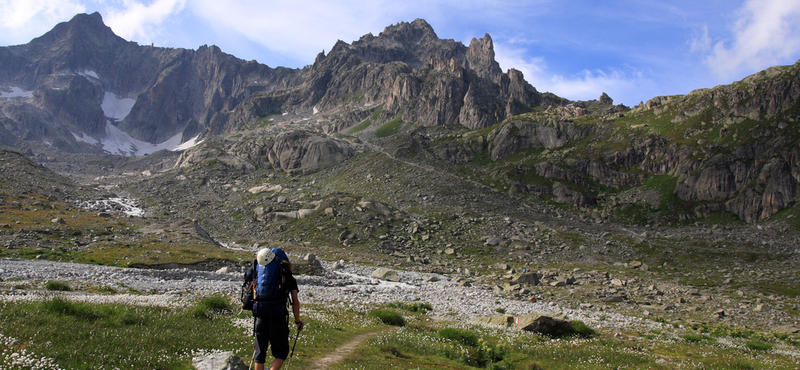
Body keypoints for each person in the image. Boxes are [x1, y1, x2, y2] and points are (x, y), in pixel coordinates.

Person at [252, 248, 304, 370]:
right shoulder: (286, 274)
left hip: (260, 312)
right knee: (281, 352)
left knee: (260, 353)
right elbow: (295, 302)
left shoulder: (260, 272)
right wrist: (298, 321)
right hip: (278, 315)